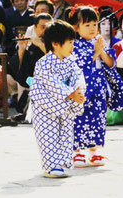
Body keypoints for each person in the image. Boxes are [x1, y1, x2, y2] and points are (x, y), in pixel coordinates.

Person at [68, 6, 123, 167]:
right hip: (82, 88)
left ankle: (94, 152)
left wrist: (100, 52)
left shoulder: (100, 42)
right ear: (76, 27)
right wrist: (95, 53)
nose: (92, 28)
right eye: (87, 25)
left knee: (98, 119)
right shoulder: (74, 45)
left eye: (95, 24)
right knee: (79, 119)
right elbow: (79, 63)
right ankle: (77, 152)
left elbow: (110, 63)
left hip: (99, 87)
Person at [29, 20, 86, 178]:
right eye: (69, 42)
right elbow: (50, 82)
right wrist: (69, 93)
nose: (72, 46)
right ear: (55, 43)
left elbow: (78, 78)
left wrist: (78, 92)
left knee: (66, 135)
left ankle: (61, 163)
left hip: (65, 106)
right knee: (48, 136)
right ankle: (50, 166)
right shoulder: (43, 63)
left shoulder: (71, 62)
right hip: (45, 106)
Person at [8, 13, 52, 121]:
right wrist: (22, 49)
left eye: (48, 27)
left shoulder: (56, 43)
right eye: (42, 27)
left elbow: (57, 61)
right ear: (35, 28)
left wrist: (41, 45)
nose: (45, 31)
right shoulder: (33, 46)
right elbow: (22, 72)